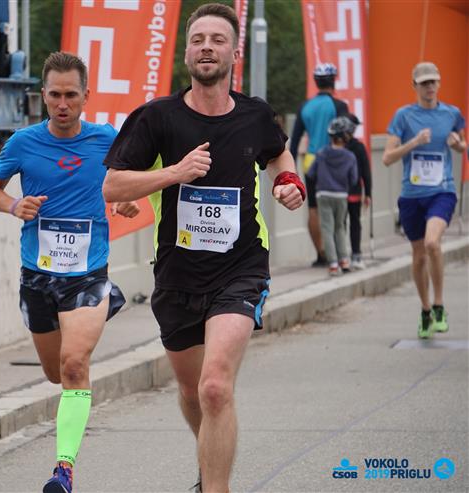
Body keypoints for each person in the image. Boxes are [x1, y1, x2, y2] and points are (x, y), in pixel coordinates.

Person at [102, 4, 304, 492]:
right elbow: (113, 186)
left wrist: (289, 182)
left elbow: (278, 154)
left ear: (234, 53)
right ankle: (209, 456)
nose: (206, 47)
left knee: (215, 387)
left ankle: (216, 486)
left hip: (241, 269)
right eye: (198, 40)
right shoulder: (156, 117)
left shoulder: (255, 115)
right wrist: (175, 173)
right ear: (186, 53)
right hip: (177, 276)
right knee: (193, 392)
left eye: (217, 40)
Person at [0, 51, 139, 493]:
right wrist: (14, 204)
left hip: (88, 273)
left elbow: (126, 185)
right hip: (38, 274)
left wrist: (125, 201)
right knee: (54, 372)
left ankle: (63, 469)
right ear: (43, 96)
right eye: (55, 95)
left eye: (71, 95)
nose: (63, 104)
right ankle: (107, 303)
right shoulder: (23, 143)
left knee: (74, 365)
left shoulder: (107, 139)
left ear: (87, 95)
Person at [383, 61, 466, 339]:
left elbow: (462, 145)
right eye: (424, 83)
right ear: (414, 86)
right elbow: (387, 158)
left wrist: (458, 145)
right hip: (411, 196)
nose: (430, 87)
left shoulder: (452, 114)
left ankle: (439, 305)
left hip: (442, 191)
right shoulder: (403, 117)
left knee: (432, 243)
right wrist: (414, 142)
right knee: (418, 255)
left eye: (434, 82)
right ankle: (425, 310)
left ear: (439, 83)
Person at [290, 63, 350, 266]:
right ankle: (338, 253)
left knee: (314, 208)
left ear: (316, 82)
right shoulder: (340, 106)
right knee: (337, 206)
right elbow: (347, 137)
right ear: (333, 81)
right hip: (335, 162)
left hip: (311, 161)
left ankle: (321, 254)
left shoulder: (305, 106)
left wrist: (291, 171)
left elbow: (295, 140)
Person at [306, 116, 358, 276]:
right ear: (345, 137)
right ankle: (345, 261)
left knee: (327, 229)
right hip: (341, 195)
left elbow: (311, 173)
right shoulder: (350, 156)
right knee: (340, 227)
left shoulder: (321, 154)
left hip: (323, 194)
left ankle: (333, 264)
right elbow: (354, 179)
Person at [344, 113, 372, 270]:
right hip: (354, 191)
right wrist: (368, 193)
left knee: (339, 225)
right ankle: (356, 254)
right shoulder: (359, 147)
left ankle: (340, 257)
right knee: (355, 223)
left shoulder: (334, 145)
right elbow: (366, 172)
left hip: (337, 192)